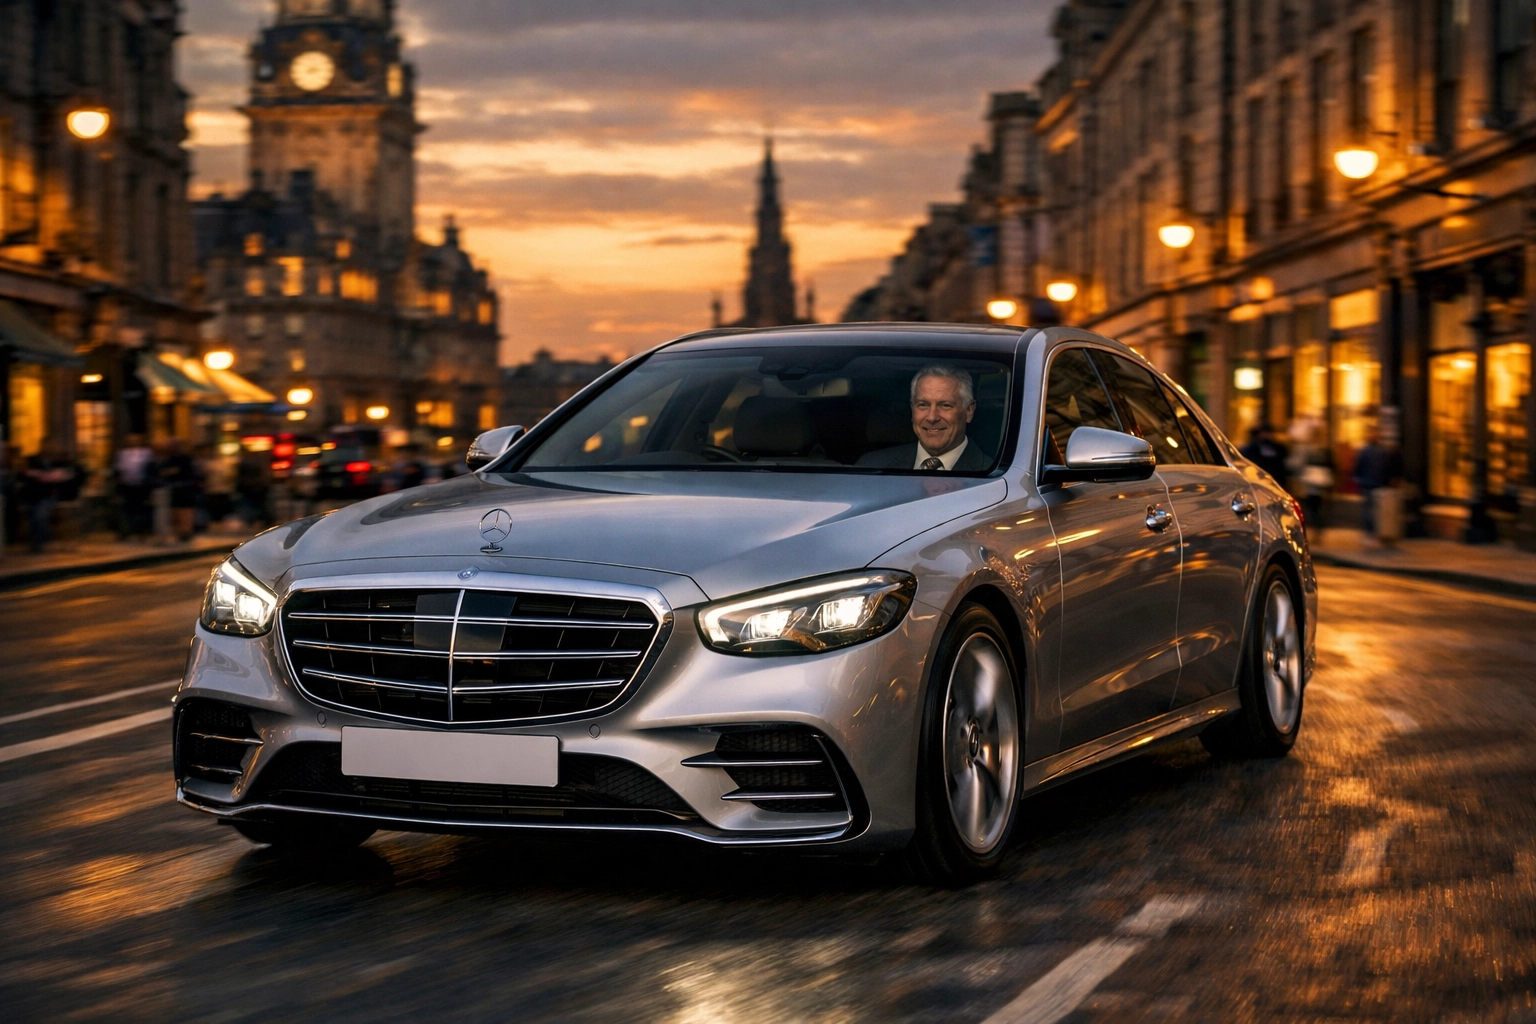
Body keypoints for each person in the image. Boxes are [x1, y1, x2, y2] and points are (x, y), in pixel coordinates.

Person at [857, 365, 992, 471]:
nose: (932, 417)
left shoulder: (996, 474)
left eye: (945, 405)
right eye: (923, 405)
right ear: (912, 409)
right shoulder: (870, 465)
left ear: (969, 410)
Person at [19, 443, 78, 552]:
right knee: (33, 518)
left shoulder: (56, 462)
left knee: (40, 516)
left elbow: (64, 475)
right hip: (33, 495)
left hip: (47, 496)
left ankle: (39, 544)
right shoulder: (34, 460)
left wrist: (49, 476)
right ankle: (36, 544)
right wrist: (41, 475)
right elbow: (25, 473)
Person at [1352, 425, 1402, 538]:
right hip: (1371, 484)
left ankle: (1373, 532)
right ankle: (1371, 532)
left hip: (1376, 484)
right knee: (1371, 510)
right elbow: (1359, 467)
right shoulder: (1369, 451)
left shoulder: (1379, 451)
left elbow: (1387, 467)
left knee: (1374, 510)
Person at [156, 438, 202, 542]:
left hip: (185, 488)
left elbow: (184, 471)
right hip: (174, 489)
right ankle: (180, 531)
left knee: (185, 510)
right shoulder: (167, 459)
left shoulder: (185, 458)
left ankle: (185, 532)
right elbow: (163, 472)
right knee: (175, 511)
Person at [114, 434, 156, 538]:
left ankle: (141, 531)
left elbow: (151, 469)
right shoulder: (123, 454)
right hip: (127, 486)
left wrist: (149, 484)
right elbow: (119, 470)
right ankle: (127, 531)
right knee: (128, 509)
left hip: (141, 486)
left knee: (141, 509)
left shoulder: (146, 453)